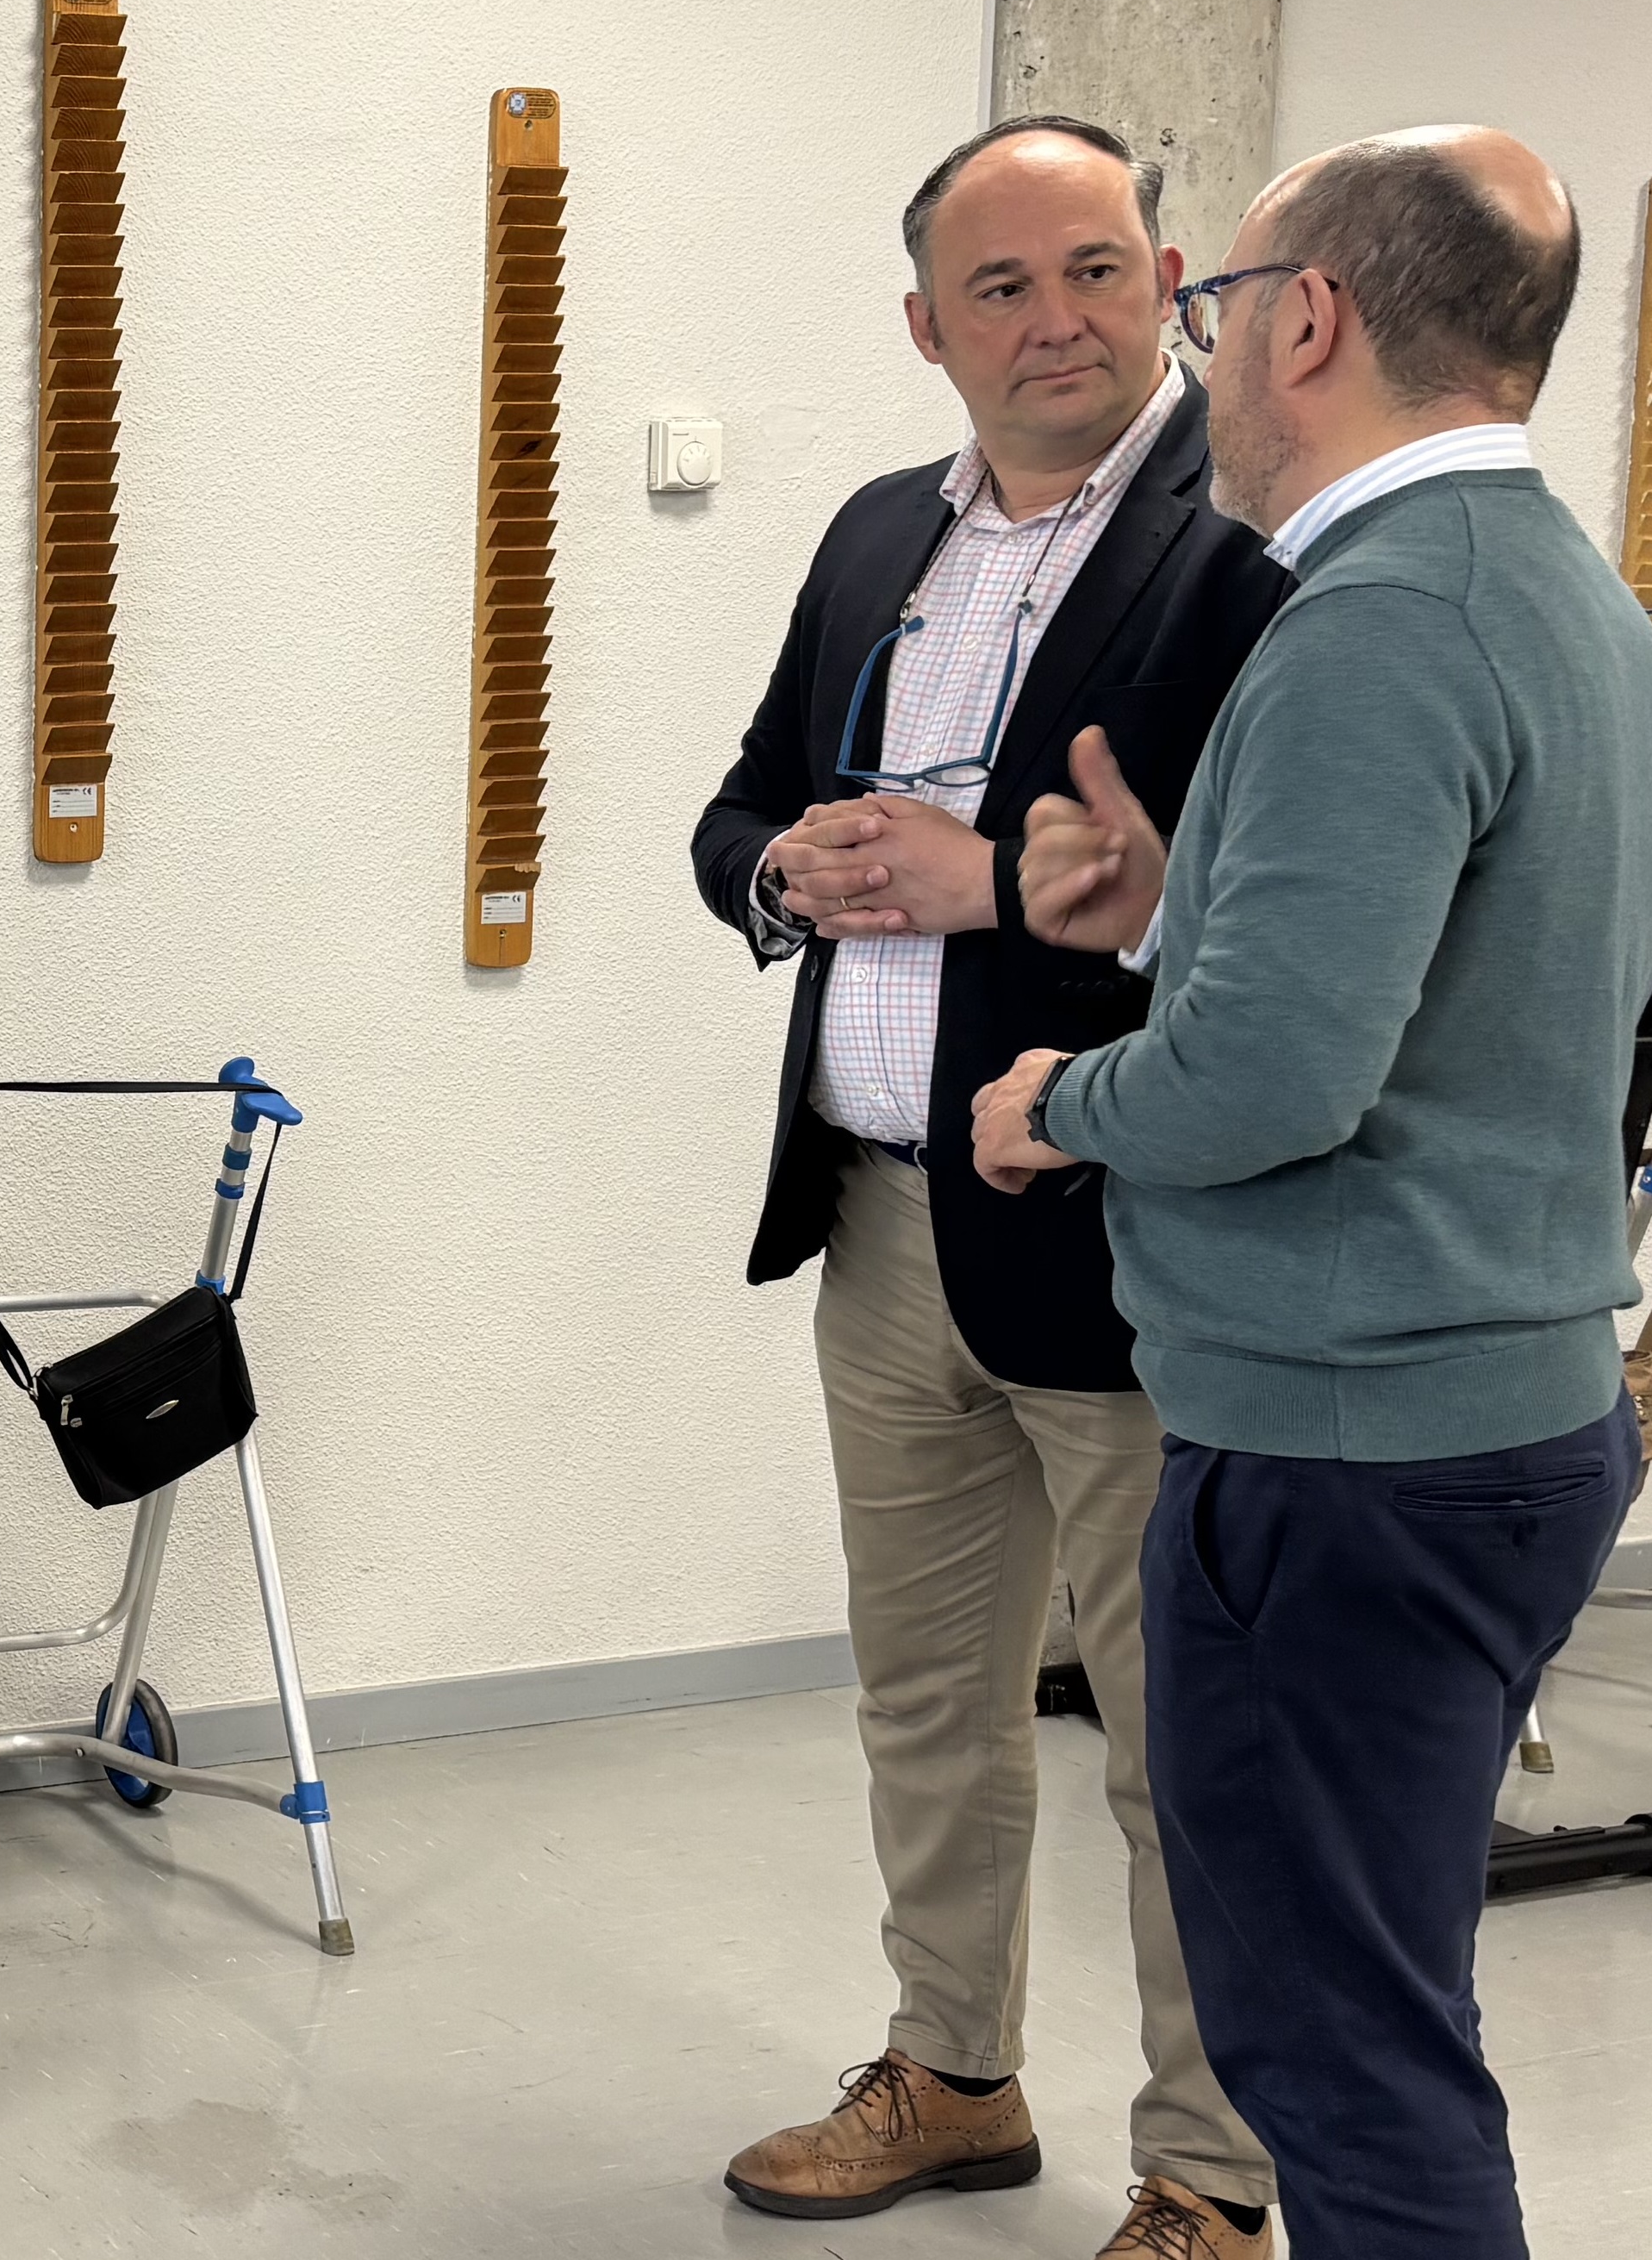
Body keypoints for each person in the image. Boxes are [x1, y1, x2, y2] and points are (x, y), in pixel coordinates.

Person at [975, 126, 1652, 2259]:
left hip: (1348, 1459)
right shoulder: (1556, 594)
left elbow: (1275, 1078)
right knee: (1375, 2011)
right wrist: (1174, 909)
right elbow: (1445, 976)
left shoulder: (1376, 620)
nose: (1187, 355)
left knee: (1336, 2060)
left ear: (1305, 320)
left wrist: (1061, 1093)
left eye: (1202, 307)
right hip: (1490, 1419)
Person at [691, 117, 1288, 2257]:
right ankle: (952, 2067)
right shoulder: (880, 533)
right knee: (929, 1698)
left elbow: (1286, 908)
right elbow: (738, 803)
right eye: (1003, 285)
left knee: (1179, 1739)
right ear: (924, 324)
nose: (1057, 319)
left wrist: (994, 892)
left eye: (1098, 268)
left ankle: (1212, 2173)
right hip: (880, 1227)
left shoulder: (1251, 550)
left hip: (1133, 1242)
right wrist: (781, 870)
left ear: (1169, 280)